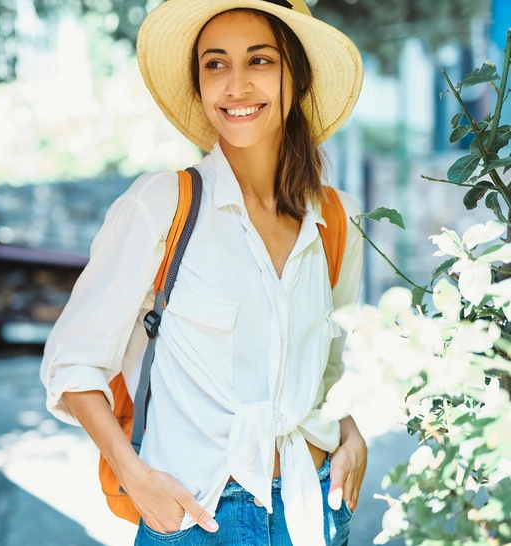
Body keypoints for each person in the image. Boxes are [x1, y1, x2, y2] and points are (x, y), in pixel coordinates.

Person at [40, 0, 367, 544]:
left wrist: (351, 430)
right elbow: (72, 365)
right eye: (215, 64)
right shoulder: (163, 204)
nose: (236, 86)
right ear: (199, 84)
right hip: (198, 514)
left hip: (318, 507)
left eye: (259, 61)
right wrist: (134, 474)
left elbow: (329, 362)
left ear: (297, 77)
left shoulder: (336, 218)